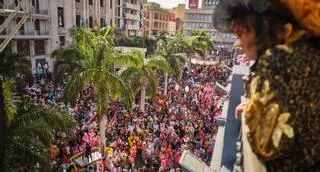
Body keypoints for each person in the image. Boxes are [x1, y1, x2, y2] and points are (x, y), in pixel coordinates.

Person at [214, 0, 320, 171]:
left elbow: (265, 145)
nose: (240, 43)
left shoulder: (277, 60)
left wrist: (255, 112)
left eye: (240, 32)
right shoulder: (306, 49)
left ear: (257, 28)